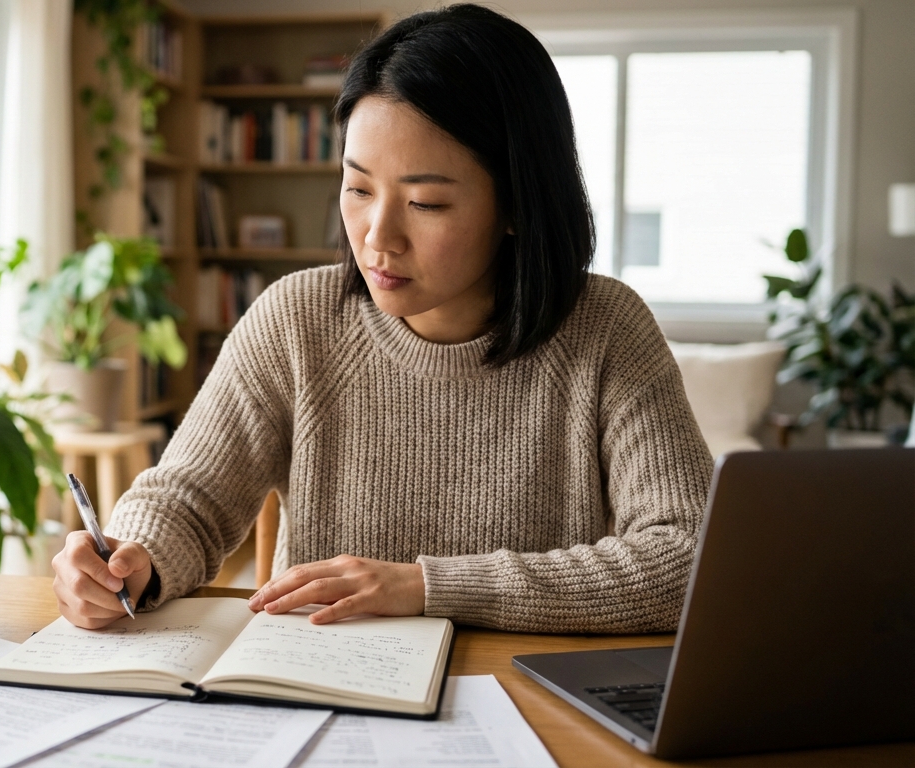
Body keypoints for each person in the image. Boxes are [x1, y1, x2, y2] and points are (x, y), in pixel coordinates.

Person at [52, 3, 713, 634]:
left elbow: (691, 557)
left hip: (516, 693)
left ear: (518, 203)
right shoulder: (297, 320)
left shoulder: (606, 328)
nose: (377, 237)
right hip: (321, 683)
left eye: (425, 203)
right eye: (359, 188)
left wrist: (427, 587)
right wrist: (130, 558)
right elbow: (189, 498)